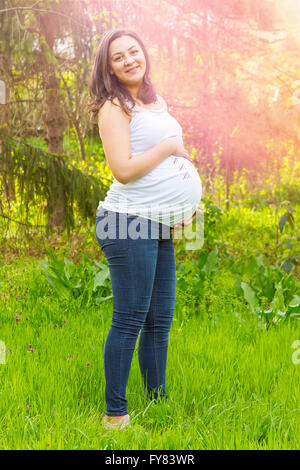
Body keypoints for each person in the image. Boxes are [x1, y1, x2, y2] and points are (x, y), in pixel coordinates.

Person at [89, 29, 202, 429]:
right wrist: (170, 147)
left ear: (144, 54)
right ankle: (115, 415)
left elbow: (166, 170)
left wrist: (184, 205)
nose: (128, 60)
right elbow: (123, 168)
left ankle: (159, 401)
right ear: (109, 67)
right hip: (126, 222)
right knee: (130, 319)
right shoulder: (113, 108)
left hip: (157, 222)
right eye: (118, 57)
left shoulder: (156, 103)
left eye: (134, 51)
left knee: (159, 320)